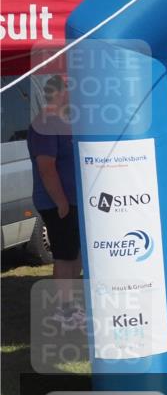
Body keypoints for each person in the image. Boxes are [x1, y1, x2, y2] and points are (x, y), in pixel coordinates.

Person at [27, 75, 83, 328]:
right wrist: (60, 201)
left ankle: (71, 306)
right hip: (58, 202)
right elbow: (46, 167)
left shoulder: (63, 121)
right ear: (59, 93)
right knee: (64, 256)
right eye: (71, 89)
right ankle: (64, 311)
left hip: (72, 200)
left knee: (74, 253)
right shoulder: (45, 123)